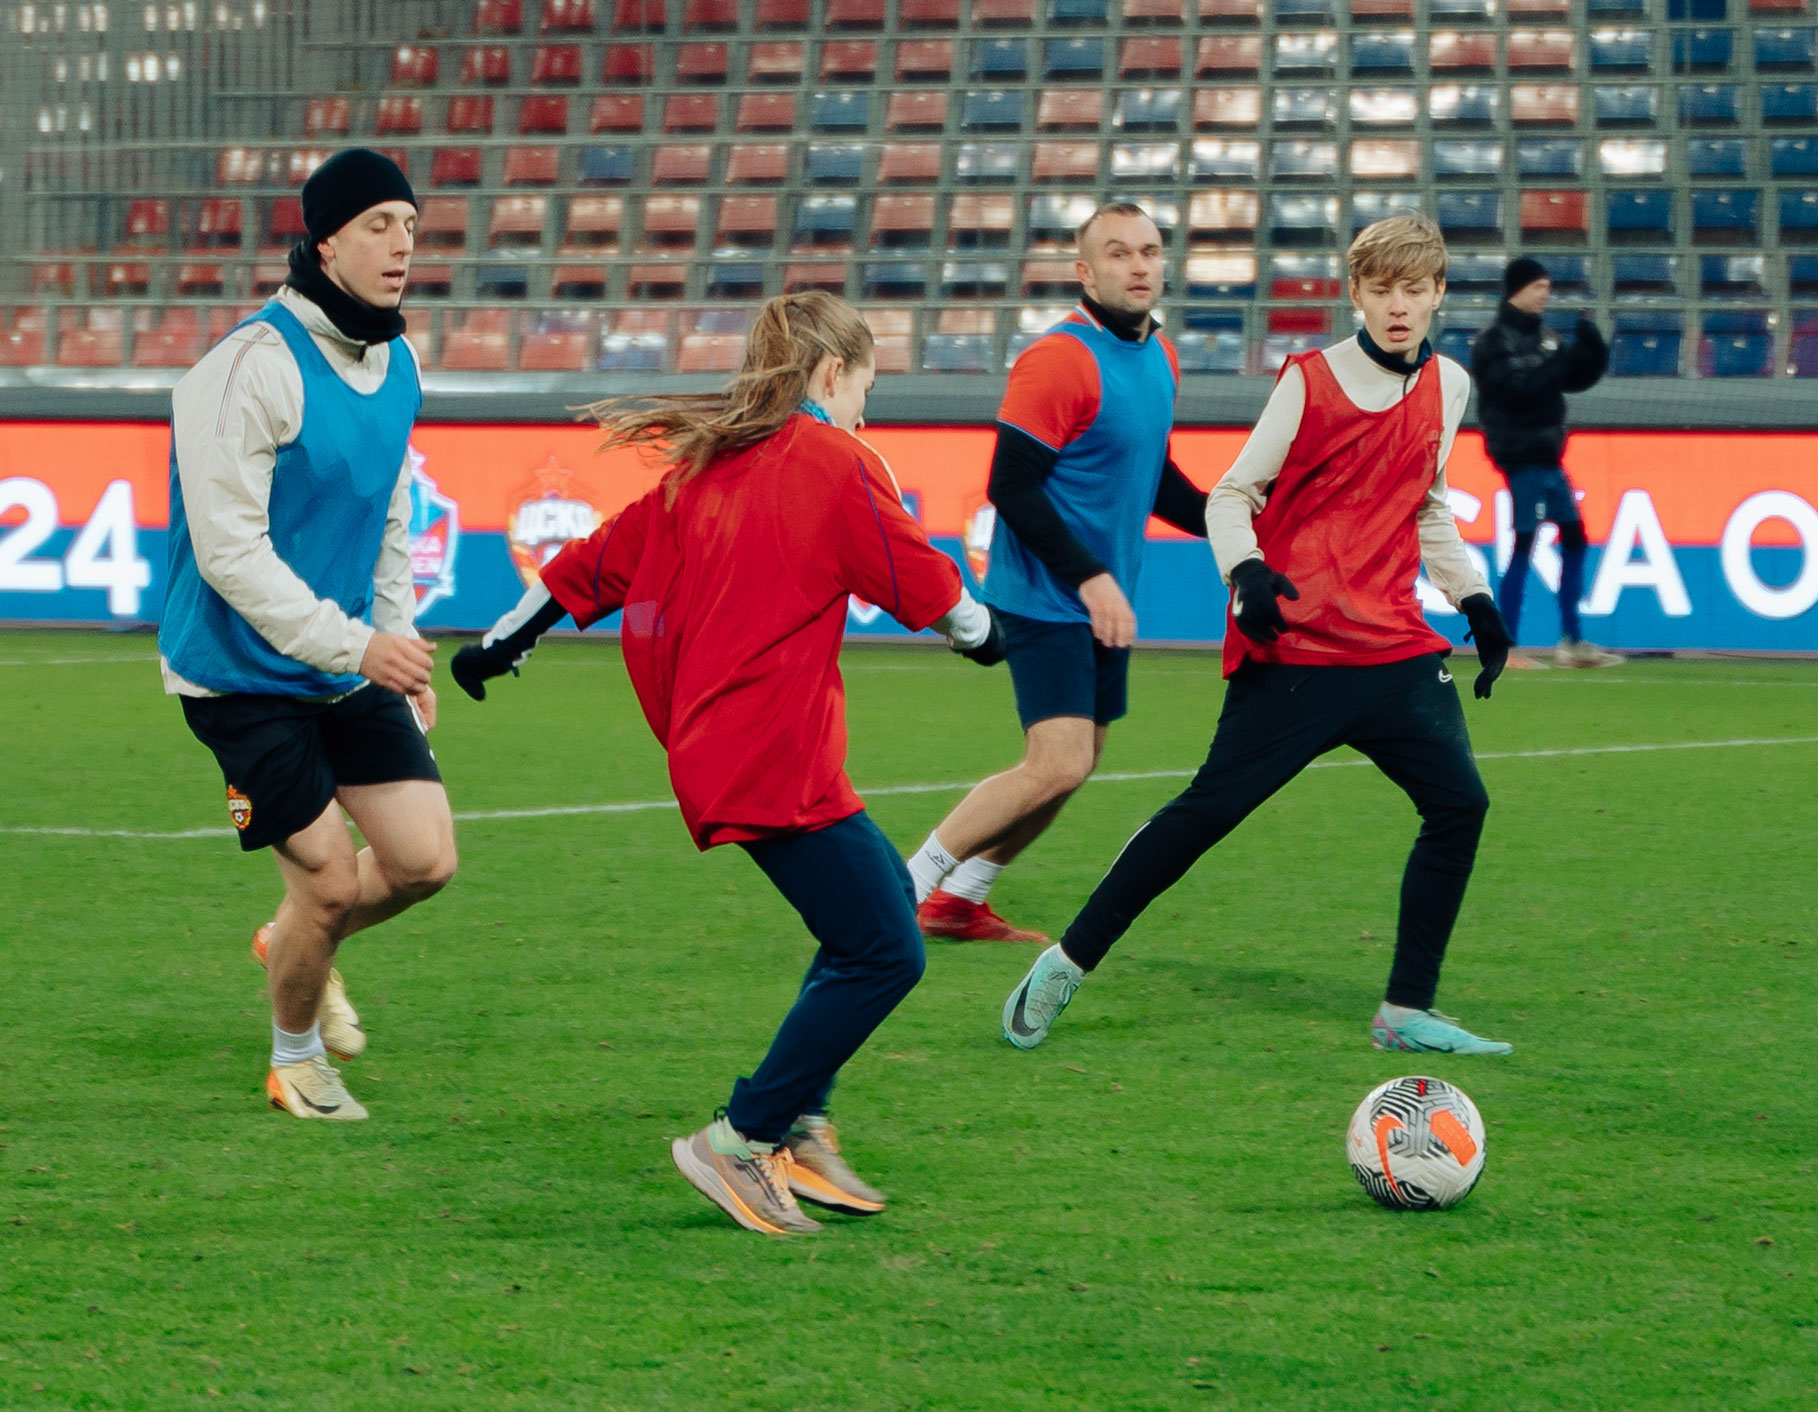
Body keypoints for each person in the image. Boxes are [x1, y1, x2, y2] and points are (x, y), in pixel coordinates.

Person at [451, 292, 1004, 1237]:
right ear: (832, 375)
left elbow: (586, 568)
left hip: (729, 749)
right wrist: (986, 632)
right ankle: (744, 1138)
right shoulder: (837, 461)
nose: (869, 410)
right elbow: (926, 582)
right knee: (885, 949)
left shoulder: (700, 471)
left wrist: (495, 646)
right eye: (867, 387)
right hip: (769, 758)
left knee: (862, 927)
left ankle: (799, 1124)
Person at [1000, 214, 1517, 1058]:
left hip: (1393, 646)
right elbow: (1231, 495)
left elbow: (1425, 502)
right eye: (1382, 290)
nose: (1398, 307)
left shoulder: (1450, 386)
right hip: (1298, 647)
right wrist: (1246, 575)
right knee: (1205, 815)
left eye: (1414, 291)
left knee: (1460, 803)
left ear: (1438, 296)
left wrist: (1476, 598)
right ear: (1357, 294)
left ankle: (1405, 1010)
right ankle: (1069, 959)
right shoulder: (1311, 379)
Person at [160, 148, 457, 1123]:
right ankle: (294, 1057)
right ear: (324, 239)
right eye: (378, 225)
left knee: (422, 861)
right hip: (239, 671)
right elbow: (228, 555)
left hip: (342, 659)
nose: (401, 245)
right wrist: (359, 644)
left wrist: (397, 640)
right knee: (329, 881)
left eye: (410, 227)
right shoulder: (248, 366)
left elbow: (387, 512)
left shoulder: (400, 359)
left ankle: (290, 936)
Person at [905, 201, 1209, 945]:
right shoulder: (1059, 359)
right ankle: (901, 889)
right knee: (1059, 760)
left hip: (1100, 600)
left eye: (1149, 250)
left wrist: (1225, 525)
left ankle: (961, 899)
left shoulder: (1160, 356)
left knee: (1081, 760)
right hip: (1045, 593)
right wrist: (1089, 577)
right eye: (1117, 253)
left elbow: (1155, 474)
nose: (1137, 265)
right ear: (1085, 271)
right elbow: (1013, 486)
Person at [1470, 256, 1624, 670]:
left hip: (1547, 456)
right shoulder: (1493, 341)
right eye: (1538, 287)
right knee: (1524, 543)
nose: (1545, 295)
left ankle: (1571, 640)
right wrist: (1560, 358)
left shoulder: (1543, 337)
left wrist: (1592, 355)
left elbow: (1568, 379)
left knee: (1575, 538)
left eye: (1547, 288)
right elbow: (1520, 385)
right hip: (1520, 456)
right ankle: (1506, 644)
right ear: (1516, 289)